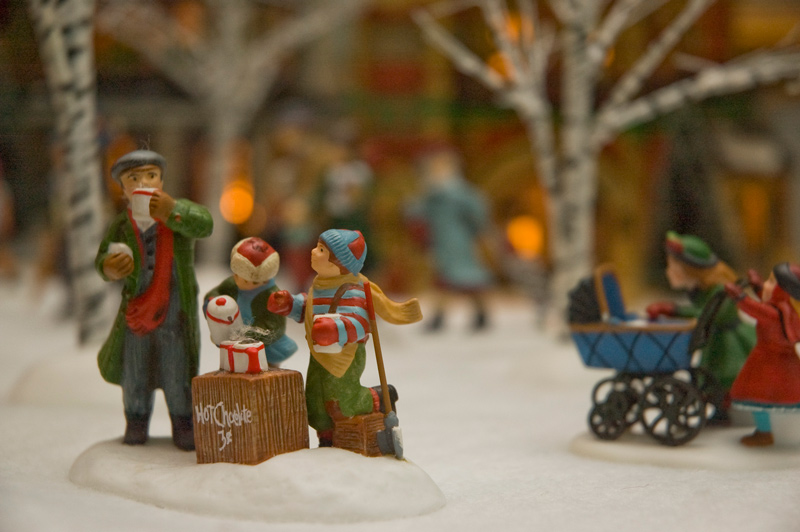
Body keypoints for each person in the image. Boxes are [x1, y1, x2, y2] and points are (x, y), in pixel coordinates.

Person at [95, 150, 213, 451]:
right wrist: (109, 267)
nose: (143, 183)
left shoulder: (177, 213)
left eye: (150, 176)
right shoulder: (122, 225)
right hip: (136, 312)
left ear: (161, 180)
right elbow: (102, 258)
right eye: (133, 179)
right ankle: (136, 420)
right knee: (135, 370)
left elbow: (205, 224)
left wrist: (173, 210)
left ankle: (182, 422)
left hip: (175, 310)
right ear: (124, 189)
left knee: (177, 370)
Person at [267, 229, 421, 447]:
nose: (313, 252)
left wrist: (336, 329)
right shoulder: (319, 285)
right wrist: (290, 304)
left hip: (346, 356)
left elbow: (359, 322)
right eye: (317, 246)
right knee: (314, 404)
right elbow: (308, 308)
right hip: (319, 355)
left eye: (321, 250)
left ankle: (380, 398)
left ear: (340, 262)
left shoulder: (353, 290)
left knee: (341, 402)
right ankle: (327, 438)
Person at [646, 231, 755, 422]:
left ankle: (734, 411)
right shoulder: (701, 289)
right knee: (709, 376)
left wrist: (673, 310)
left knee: (725, 375)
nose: (668, 271)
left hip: (729, 342)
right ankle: (721, 409)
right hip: (715, 340)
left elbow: (709, 314)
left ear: (691, 269)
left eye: (673, 266)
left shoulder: (721, 290)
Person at [407, 146, 494, 331]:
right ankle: (446, 316)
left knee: (461, 278)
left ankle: (474, 314)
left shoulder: (460, 192)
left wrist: (477, 229)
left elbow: (477, 210)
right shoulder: (431, 193)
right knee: (447, 278)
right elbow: (418, 211)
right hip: (442, 241)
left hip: (459, 241)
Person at [726, 263, 800, 447]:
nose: (767, 285)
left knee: (757, 398)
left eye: (771, 281)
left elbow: (755, 309)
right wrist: (757, 285)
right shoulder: (783, 308)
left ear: (784, 289)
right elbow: (764, 301)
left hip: (768, 364)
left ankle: (764, 433)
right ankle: (765, 431)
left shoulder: (775, 314)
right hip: (780, 361)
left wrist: (739, 297)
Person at [204, 237, 297, 368]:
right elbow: (216, 293)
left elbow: (274, 327)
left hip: (266, 348)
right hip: (235, 342)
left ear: (258, 281)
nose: (235, 279)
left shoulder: (273, 297)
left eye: (242, 278)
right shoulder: (234, 284)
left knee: (265, 370)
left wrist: (248, 334)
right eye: (235, 274)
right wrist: (211, 304)